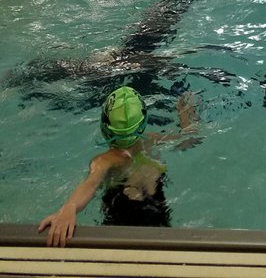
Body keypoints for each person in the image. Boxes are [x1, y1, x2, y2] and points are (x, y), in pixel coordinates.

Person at [38, 85, 199, 246]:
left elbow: (91, 184)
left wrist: (69, 207)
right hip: (156, 212)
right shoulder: (151, 141)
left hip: (121, 216)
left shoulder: (105, 160)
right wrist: (185, 114)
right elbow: (189, 139)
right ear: (142, 123)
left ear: (105, 127)